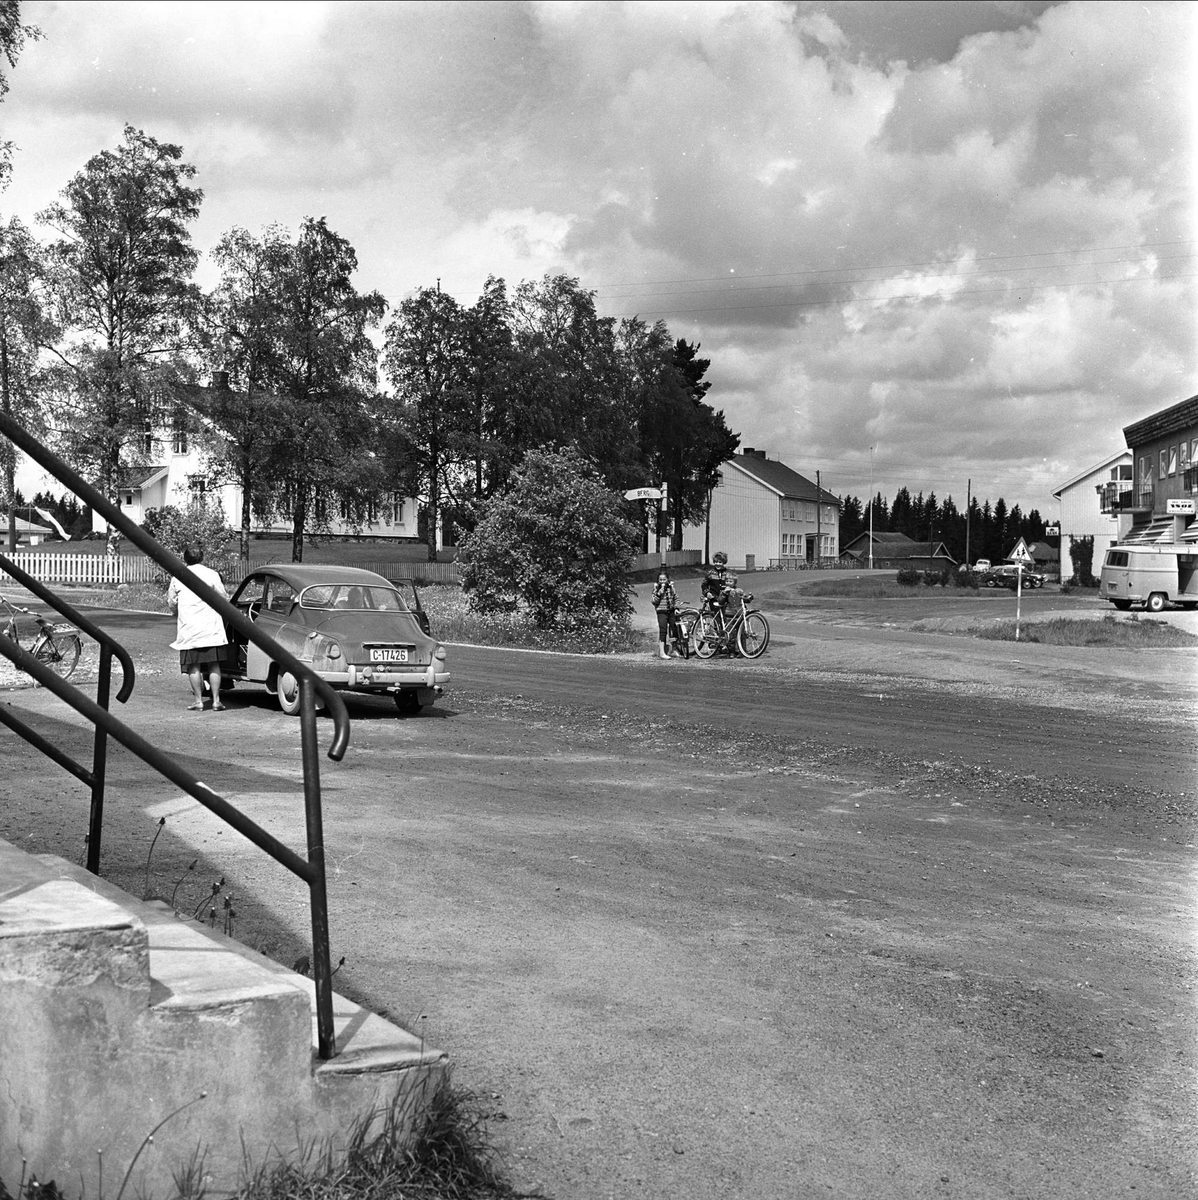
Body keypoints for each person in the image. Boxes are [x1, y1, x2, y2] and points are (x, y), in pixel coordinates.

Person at [167, 543, 229, 712]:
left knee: (193, 666)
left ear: (185, 559)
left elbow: (172, 602)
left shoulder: (178, 577)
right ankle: (216, 700)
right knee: (214, 664)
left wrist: (176, 612)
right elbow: (223, 596)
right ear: (202, 557)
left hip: (190, 628)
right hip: (211, 626)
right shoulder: (212, 574)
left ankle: (199, 701)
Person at [651, 567, 681, 659]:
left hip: (671, 611)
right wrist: (659, 592)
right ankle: (662, 652)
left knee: (674, 628)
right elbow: (653, 601)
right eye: (660, 580)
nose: (662, 581)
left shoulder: (671, 588)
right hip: (661, 612)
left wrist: (676, 607)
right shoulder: (656, 589)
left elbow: (676, 598)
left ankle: (674, 649)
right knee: (663, 630)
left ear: (668, 580)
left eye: (664, 579)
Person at [701, 551, 732, 631]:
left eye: (720, 562)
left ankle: (726, 635)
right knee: (717, 618)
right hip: (714, 598)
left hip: (725, 599)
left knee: (726, 617)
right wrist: (707, 593)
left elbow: (732, 583)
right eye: (716, 562)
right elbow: (704, 584)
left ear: (723, 562)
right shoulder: (710, 573)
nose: (718, 564)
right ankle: (717, 635)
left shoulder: (727, 573)